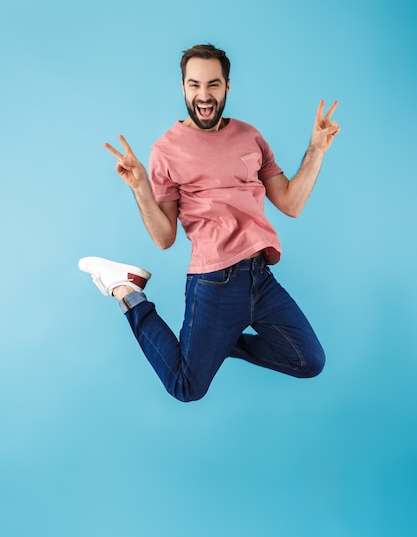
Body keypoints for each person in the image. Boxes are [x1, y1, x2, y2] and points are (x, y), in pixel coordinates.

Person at [79, 44, 340, 402]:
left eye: (213, 85)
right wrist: (141, 186)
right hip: (214, 283)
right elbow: (164, 237)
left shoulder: (251, 137)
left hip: (260, 280)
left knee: (308, 360)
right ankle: (125, 290)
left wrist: (317, 150)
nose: (204, 95)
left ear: (227, 87)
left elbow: (290, 203)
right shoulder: (166, 150)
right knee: (186, 387)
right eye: (194, 85)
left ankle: (220, 344)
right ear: (183, 87)